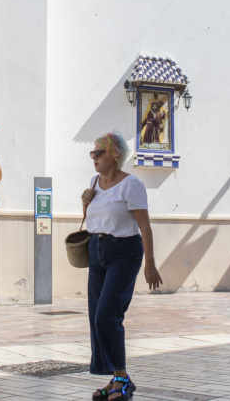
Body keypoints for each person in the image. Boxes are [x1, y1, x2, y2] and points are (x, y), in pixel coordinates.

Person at [81, 132, 163, 401]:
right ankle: (115, 378)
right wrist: (85, 203)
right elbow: (94, 220)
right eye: (93, 153)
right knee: (97, 316)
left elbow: (145, 226)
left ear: (114, 156)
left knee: (108, 314)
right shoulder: (95, 181)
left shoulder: (131, 185)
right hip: (97, 252)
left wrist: (149, 264)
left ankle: (122, 379)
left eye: (98, 153)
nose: (93, 158)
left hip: (124, 253)